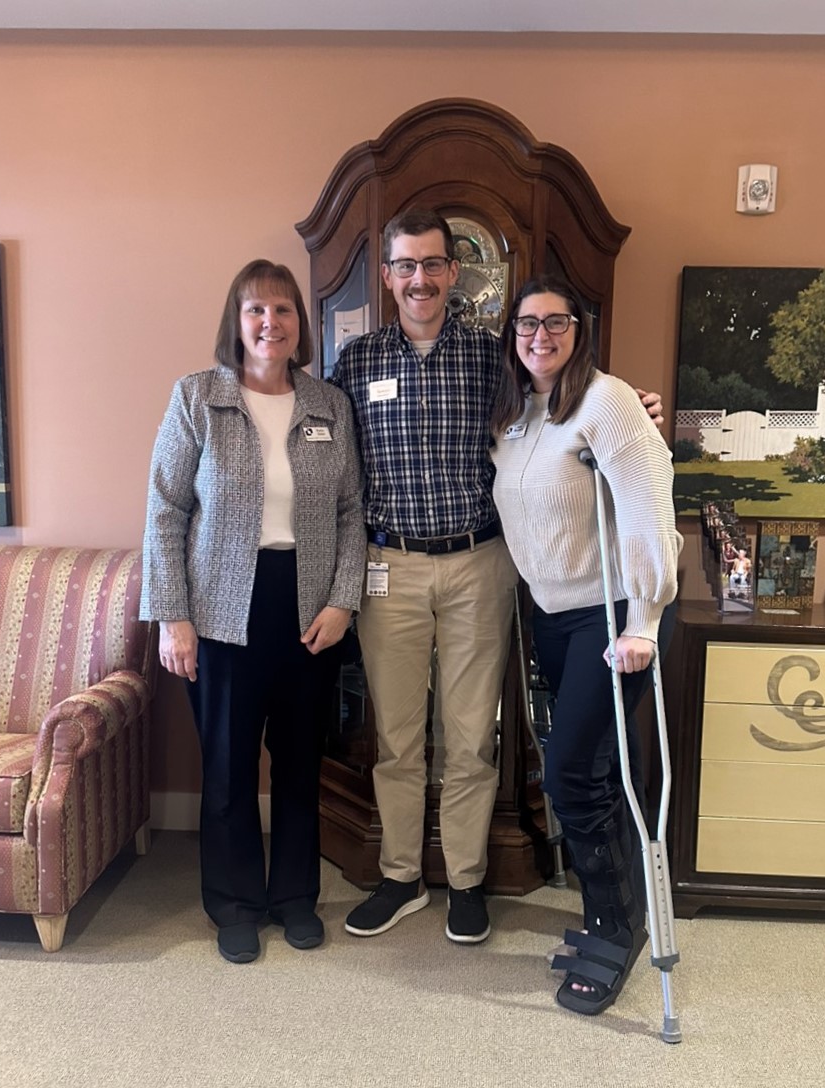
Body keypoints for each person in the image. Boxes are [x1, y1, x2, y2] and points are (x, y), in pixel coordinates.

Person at [332, 208, 665, 946]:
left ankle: (467, 879)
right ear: (387, 277)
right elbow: (327, 461)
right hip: (387, 567)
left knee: (470, 735)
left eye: (431, 264)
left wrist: (631, 408)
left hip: (482, 562)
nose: (419, 279)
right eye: (404, 266)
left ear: (454, 273)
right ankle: (397, 875)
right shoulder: (354, 365)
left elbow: (565, 397)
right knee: (394, 736)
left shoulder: (494, 356)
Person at [141, 260, 365, 965]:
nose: (271, 323)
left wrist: (341, 601)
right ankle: (235, 903)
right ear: (235, 322)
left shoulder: (329, 402)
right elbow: (164, 509)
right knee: (231, 768)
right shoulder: (198, 397)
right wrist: (172, 617)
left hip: (307, 609)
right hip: (219, 613)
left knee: (300, 763)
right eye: (255, 311)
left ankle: (294, 897)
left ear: (302, 323)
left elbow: (353, 512)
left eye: (283, 310)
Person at [490, 274, 682, 1015]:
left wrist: (644, 622)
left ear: (581, 328)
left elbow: (646, 507)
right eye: (525, 324)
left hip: (607, 618)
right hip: (550, 616)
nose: (539, 335)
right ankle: (621, 913)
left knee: (570, 774)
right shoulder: (518, 412)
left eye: (555, 322)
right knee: (590, 770)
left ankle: (612, 925)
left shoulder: (608, 402)